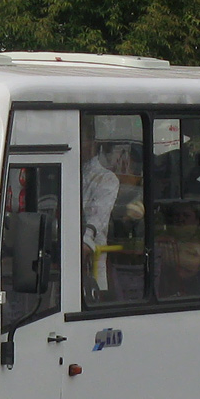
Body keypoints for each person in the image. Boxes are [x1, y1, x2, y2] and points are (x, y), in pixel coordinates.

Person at [80, 119, 119, 295]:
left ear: (93, 144)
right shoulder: (65, 173)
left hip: (91, 264)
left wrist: (85, 241)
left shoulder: (107, 179)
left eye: (82, 139)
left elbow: (97, 219)